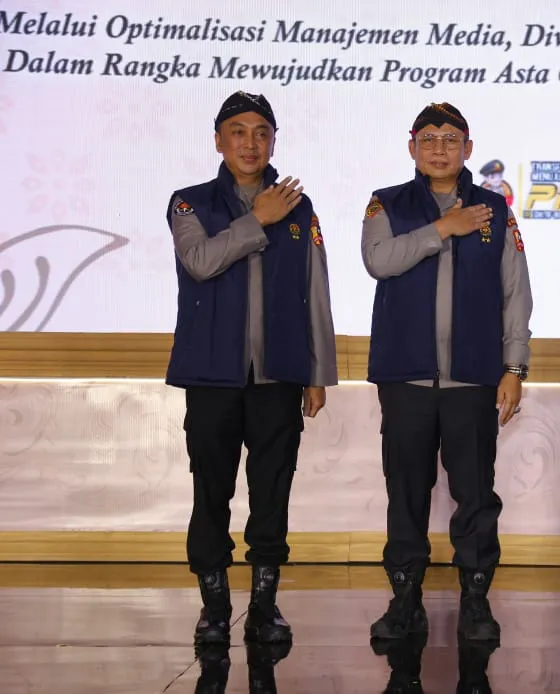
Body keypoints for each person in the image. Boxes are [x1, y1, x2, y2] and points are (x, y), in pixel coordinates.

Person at [165, 91, 338, 649]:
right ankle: (214, 607)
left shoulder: (299, 206)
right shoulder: (190, 203)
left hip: (278, 375)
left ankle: (264, 606)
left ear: (273, 141)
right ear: (219, 140)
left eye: (261, 132)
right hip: (212, 375)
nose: (250, 143)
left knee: (273, 492)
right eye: (238, 132)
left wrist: (318, 371)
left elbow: (315, 289)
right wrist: (257, 219)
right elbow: (199, 262)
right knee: (210, 490)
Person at [361, 102, 533, 643]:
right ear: (412, 146)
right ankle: (404, 600)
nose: (440, 149)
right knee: (406, 491)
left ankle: (475, 600)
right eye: (429, 139)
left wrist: (514, 366)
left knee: (476, 494)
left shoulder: (494, 209)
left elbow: (516, 292)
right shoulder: (387, 203)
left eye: (451, 139)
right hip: (406, 377)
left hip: (473, 378)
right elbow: (379, 261)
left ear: (468, 148)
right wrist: (442, 228)